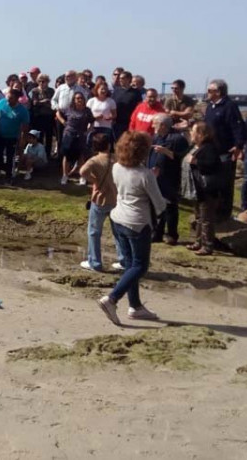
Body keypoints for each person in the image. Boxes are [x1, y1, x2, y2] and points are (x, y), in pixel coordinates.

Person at [97, 131, 166, 325]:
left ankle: (135, 306)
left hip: (118, 218)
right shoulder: (145, 175)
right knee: (140, 265)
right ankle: (112, 298)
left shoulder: (116, 167)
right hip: (137, 223)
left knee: (129, 264)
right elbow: (159, 204)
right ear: (142, 152)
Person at [203, 79, 246, 221]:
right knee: (212, 183)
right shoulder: (210, 106)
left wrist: (238, 145)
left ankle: (224, 215)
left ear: (218, 92)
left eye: (210, 90)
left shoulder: (229, 106)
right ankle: (213, 212)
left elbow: (238, 127)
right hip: (211, 150)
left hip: (225, 151)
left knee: (225, 184)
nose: (207, 93)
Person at [80, 132, 118, 272]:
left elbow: (82, 172)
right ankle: (124, 260)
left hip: (100, 199)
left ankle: (94, 262)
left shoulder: (94, 160)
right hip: (115, 199)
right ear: (109, 145)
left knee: (94, 232)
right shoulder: (117, 159)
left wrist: (94, 180)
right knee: (118, 232)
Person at [149, 114, 188, 245]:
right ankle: (157, 232)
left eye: (155, 123)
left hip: (170, 177)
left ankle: (172, 234)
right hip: (155, 176)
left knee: (170, 205)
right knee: (156, 204)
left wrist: (167, 152)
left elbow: (183, 158)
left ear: (163, 125)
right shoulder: (156, 137)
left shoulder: (177, 139)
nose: (153, 125)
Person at [186, 122, 223, 255]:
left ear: (201, 134)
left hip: (208, 190)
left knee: (206, 218)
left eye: (194, 131)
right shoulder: (199, 147)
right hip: (199, 189)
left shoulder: (209, 148)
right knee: (199, 217)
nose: (191, 133)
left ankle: (207, 245)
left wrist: (196, 162)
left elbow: (213, 165)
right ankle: (198, 242)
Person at [56, 92, 94, 186]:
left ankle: (82, 177)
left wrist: (88, 131)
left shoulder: (87, 111)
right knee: (67, 156)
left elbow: (92, 122)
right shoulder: (69, 109)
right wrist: (63, 122)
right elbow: (58, 113)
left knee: (81, 156)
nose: (79, 100)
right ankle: (65, 175)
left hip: (81, 135)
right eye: (77, 98)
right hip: (69, 135)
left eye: (81, 98)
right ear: (74, 100)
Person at [0, 89, 30, 182]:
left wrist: (22, 138)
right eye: (7, 97)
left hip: (12, 137)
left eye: (11, 98)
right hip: (0, 135)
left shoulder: (22, 110)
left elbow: (25, 126)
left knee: (10, 157)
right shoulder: (2, 102)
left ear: (17, 99)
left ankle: (9, 175)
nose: (8, 100)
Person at [29, 74, 56, 158]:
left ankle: (48, 154)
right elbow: (34, 103)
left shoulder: (51, 91)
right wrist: (44, 101)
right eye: (39, 81)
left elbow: (53, 102)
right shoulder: (34, 91)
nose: (41, 83)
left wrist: (44, 102)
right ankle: (39, 155)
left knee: (49, 136)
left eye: (43, 81)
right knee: (39, 136)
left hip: (49, 116)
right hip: (38, 117)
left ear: (47, 82)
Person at [112, 70, 142, 140]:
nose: (120, 80)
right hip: (117, 122)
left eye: (122, 78)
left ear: (128, 79)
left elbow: (139, 107)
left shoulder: (136, 92)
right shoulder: (116, 91)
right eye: (120, 78)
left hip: (130, 122)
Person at [86, 82, 117, 146]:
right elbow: (86, 115)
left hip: (106, 127)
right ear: (97, 89)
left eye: (105, 89)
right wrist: (95, 117)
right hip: (93, 127)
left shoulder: (111, 101)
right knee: (91, 146)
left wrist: (110, 117)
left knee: (104, 146)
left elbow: (114, 115)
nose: (104, 91)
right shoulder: (91, 101)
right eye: (102, 89)